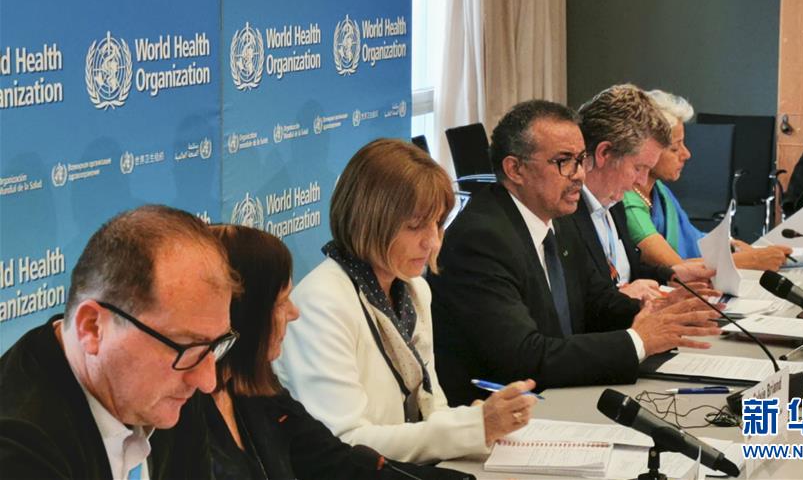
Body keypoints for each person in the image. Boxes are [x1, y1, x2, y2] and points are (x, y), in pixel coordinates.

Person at [429, 100, 722, 407]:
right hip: (506, 413)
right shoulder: (481, 239)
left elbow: (595, 301)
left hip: (561, 394)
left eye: (581, 159)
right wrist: (638, 341)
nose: (580, 174)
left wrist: (656, 311)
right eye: (564, 161)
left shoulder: (558, 217)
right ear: (515, 169)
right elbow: (524, 356)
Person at [274, 139, 537, 463]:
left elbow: (430, 409)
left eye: (438, 223)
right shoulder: (321, 304)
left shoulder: (414, 289)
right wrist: (473, 428)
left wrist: (479, 423)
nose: (433, 242)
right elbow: (346, 443)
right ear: (368, 221)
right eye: (415, 226)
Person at [198, 224, 472, 480]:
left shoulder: (261, 391)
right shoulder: (184, 415)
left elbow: (337, 461)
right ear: (247, 315)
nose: (294, 313)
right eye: (281, 303)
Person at [0, 205, 240, 479]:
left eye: (214, 345)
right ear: (92, 328)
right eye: (186, 345)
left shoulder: (178, 378)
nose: (207, 381)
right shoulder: (17, 449)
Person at [567, 84, 716, 303]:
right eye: (638, 168)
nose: (642, 181)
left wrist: (672, 274)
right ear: (604, 153)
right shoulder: (564, 214)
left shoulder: (614, 202)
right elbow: (577, 305)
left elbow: (629, 272)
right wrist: (624, 300)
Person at [623, 89, 791, 270]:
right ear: (647, 149)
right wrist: (753, 260)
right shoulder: (627, 202)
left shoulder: (659, 191)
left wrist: (732, 246)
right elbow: (675, 268)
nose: (686, 154)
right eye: (675, 148)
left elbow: (695, 239)